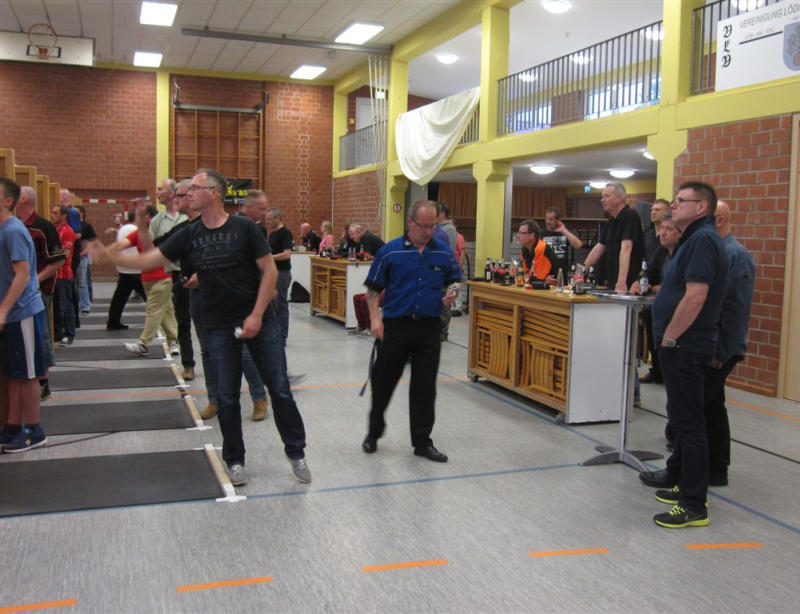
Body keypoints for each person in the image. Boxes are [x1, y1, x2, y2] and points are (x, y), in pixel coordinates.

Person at [88, 168, 311, 486]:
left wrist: (257, 315)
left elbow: (270, 273)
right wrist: (112, 257)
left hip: (261, 322)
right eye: (187, 189)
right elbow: (150, 258)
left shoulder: (245, 228)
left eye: (194, 188)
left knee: (279, 389)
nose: (187, 193)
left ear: (214, 193)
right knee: (227, 397)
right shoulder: (189, 233)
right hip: (219, 325)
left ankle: (296, 452)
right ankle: (235, 460)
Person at [641, 200, 754, 490]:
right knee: (711, 407)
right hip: (703, 345)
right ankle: (715, 469)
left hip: (714, 348)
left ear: (717, 220)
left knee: (689, 414)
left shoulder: (734, 256)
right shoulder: (704, 250)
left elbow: (735, 309)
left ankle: (680, 473)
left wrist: (721, 351)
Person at [648, 181, 728, 529]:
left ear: (701, 207)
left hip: (686, 345)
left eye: (681, 201)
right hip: (682, 344)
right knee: (683, 421)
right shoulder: (693, 239)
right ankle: (685, 483)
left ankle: (694, 504)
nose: (674, 205)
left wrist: (670, 337)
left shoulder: (703, 240)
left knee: (690, 424)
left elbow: (696, 296)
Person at [361, 200, 462, 462]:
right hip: (396, 327)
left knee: (425, 388)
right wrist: (375, 320)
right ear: (410, 222)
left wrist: (451, 293)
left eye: (432, 226)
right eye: (423, 226)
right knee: (383, 384)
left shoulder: (442, 252)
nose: (428, 232)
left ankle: (422, 441)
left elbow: (454, 280)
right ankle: (374, 432)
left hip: (429, 328)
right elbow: (373, 289)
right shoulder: (390, 251)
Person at [0, 177, 48, 453]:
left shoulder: (13, 231)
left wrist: (4, 308)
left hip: (22, 313)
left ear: (8, 201)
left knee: (27, 375)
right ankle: (12, 428)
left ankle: (33, 431)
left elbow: (22, 274)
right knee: (13, 375)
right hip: (11, 315)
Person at [16, 187, 66, 401]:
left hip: (39, 292)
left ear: (23, 199)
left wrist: (36, 280)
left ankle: (44, 382)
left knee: (40, 335)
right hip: (17, 291)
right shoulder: (14, 225)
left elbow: (58, 259)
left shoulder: (43, 227)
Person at [116, 205, 179, 357]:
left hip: (163, 277)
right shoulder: (138, 233)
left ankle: (144, 343)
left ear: (148, 217)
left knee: (153, 310)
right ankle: (173, 341)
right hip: (147, 279)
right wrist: (107, 251)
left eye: (140, 216)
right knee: (166, 311)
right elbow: (123, 244)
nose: (136, 220)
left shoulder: (161, 233)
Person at [150, 179, 193, 379]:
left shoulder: (190, 220)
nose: (157, 192)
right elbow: (155, 244)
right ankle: (188, 363)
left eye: (161, 189)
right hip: (175, 275)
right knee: (181, 320)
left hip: (199, 277)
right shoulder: (159, 221)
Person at [632, 214, 682, 385]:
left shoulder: (684, 254)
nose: (662, 233)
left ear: (680, 233)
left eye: (668, 229)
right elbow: (648, 274)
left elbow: (677, 286)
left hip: (677, 312)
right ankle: (657, 371)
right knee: (653, 331)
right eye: (662, 229)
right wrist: (639, 284)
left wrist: (657, 287)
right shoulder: (662, 251)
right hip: (657, 308)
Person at [584, 182, 645, 292]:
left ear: (620, 197)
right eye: (602, 197)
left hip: (629, 284)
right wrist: (582, 270)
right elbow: (599, 248)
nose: (602, 200)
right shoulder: (611, 222)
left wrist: (621, 281)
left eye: (606, 196)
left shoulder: (631, 216)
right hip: (613, 282)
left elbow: (626, 248)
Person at [106, 210, 146, 330]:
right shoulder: (136, 230)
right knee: (150, 296)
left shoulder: (124, 228)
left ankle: (113, 321)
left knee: (120, 297)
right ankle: (162, 319)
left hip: (124, 268)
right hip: (135, 269)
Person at [264, 208, 293, 343]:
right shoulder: (272, 234)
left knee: (280, 305)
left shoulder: (285, 233)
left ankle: (282, 336)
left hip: (282, 273)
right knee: (272, 306)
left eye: (270, 219)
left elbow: (287, 254)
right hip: (273, 273)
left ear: (277, 218)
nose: (267, 222)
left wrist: (271, 258)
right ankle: (274, 334)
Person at [50, 204, 76, 345]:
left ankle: (69, 333)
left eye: (55, 213)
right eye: (52, 212)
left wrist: (50, 257)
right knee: (56, 306)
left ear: (63, 216)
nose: (52, 215)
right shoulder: (53, 230)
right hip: (53, 274)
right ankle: (58, 333)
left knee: (66, 305)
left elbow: (65, 254)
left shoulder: (67, 231)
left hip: (63, 274)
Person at [436, 202, 459, 341]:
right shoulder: (436, 228)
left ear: (442, 213)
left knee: (445, 302)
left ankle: (443, 332)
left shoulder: (449, 229)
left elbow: (448, 250)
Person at [541, 207, 584, 278]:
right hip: (546, 274)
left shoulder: (564, 233)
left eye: (551, 219)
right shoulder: (541, 234)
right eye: (546, 219)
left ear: (558, 220)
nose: (547, 222)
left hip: (562, 274)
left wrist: (564, 230)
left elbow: (578, 245)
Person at [517, 219, 558, 284]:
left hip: (554, 287)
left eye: (522, 233)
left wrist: (529, 278)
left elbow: (537, 278)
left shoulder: (541, 249)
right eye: (519, 232)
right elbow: (526, 275)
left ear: (532, 235)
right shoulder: (524, 250)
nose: (518, 236)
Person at [75, 205, 96, 315]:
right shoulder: (71, 225)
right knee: (77, 282)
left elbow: (92, 242)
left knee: (82, 282)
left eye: (77, 212)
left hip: (82, 257)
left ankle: (85, 306)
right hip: (73, 257)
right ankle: (78, 303)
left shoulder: (86, 226)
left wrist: (84, 252)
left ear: (82, 213)